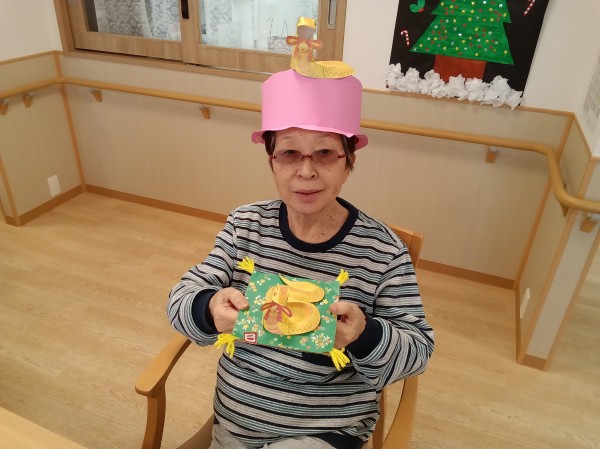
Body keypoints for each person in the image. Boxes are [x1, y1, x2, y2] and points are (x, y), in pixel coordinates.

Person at [167, 48, 434, 449]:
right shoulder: (245, 225)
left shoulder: (382, 251)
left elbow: (418, 349)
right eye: (289, 153)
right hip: (235, 423)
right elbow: (180, 298)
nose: (306, 171)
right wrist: (208, 308)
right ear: (271, 162)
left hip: (322, 431)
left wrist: (364, 335)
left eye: (325, 153)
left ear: (348, 163)